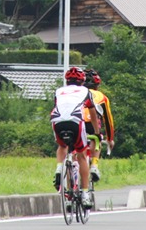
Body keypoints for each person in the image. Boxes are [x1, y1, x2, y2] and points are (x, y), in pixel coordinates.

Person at [51, 66, 99, 209]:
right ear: (82, 81)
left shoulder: (58, 91)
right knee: (82, 155)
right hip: (75, 121)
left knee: (62, 146)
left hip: (57, 121)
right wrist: (96, 131)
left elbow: (57, 106)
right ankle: (84, 193)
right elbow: (93, 112)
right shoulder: (86, 91)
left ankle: (59, 168)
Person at [82, 69, 115, 182]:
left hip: (77, 122)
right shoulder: (102, 97)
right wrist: (110, 139)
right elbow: (108, 120)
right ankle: (94, 165)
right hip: (92, 123)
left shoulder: (76, 93)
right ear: (97, 85)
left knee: (77, 146)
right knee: (97, 140)